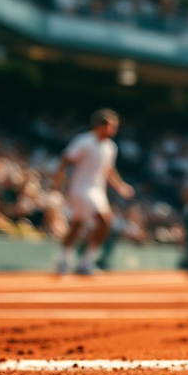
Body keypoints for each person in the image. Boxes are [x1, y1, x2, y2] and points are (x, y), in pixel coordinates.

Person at [52, 109, 134, 275]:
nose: (113, 130)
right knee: (105, 222)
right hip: (80, 189)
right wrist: (57, 182)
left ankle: (63, 260)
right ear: (99, 125)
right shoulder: (84, 141)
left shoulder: (111, 147)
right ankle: (86, 262)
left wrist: (120, 186)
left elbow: (109, 170)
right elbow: (66, 160)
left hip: (97, 191)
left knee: (78, 225)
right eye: (110, 125)